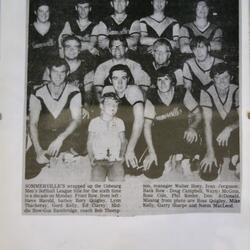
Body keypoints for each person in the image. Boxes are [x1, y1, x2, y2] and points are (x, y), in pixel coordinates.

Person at [26, 58, 83, 179]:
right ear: (48, 72)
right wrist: (38, 150)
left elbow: (77, 120)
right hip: (46, 135)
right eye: (55, 72)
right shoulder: (37, 92)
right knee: (27, 172)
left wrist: (60, 139)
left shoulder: (74, 90)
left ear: (67, 73)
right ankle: (58, 155)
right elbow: (33, 123)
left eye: (62, 72)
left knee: (82, 146)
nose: (58, 76)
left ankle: (66, 153)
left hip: (66, 134)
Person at [143, 67, 202, 178]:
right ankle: (170, 157)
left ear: (172, 81)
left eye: (166, 79)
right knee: (152, 173)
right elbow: (146, 125)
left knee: (193, 169)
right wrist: (151, 152)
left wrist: (192, 127)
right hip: (161, 135)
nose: (162, 83)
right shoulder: (152, 96)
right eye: (159, 80)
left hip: (181, 132)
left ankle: (182, 157)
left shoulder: (181, 92)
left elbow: (198, 113)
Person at [102, 64, 145, 174]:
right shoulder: (107, 90)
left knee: (135, 169)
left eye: (124, 78)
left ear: (128, 79)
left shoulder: (133, 91)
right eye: (116, 78)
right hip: (121, 131)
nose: (120, 83)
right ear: (110, 80)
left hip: (138, 131)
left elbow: (139, 122)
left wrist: (130, 150)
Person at [200, 63, 239, 181]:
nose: (222, 81)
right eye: (217, 78)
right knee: (208, 173)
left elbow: (245, 117)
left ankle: (236, 158)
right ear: (212, 79)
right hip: (214, 129)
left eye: (225, 77)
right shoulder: (206, 91)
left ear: (231, 77)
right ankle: (220, 158)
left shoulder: (237, 89)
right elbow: (207, 123)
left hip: (234, 127)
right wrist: (210, 151)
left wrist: (229, 129)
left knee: (242, 171)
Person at [94, 35, 151, 102]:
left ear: (126, 49)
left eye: (120, 47)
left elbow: (143, 89)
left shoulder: (135, 66)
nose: (117, 49)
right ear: (109, 50)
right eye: (114, 47)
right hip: (110, 102)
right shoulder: (102, 67)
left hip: (130, 101)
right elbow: (98, 90)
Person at [87, 92, 127, 181]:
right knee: (96, 177)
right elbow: (89, 142)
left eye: (115, 105)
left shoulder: (120, 122)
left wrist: (122, 154)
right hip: (99, 159)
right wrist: (91, 157)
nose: (113, 107)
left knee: (119, 176)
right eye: (109, 104)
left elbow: (123, 141)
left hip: (115, 159)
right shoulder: (94, 122)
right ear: (101, 106)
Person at [28, 0, 60, 85]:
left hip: (51, 71)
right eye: (41, 11)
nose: (44, 14)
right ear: (35, 12)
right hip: (33, 72)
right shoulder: (28, 28)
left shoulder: (56, 27)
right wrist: (46, 44)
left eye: (47, 11)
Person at [183, 36, 223, 103]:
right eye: (195, 49)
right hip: (198, 102)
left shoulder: (220, 63)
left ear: (208, 48)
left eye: (201, 47)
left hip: (217, 102)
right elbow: (188, 88)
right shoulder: (188, 64)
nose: (198, 52)